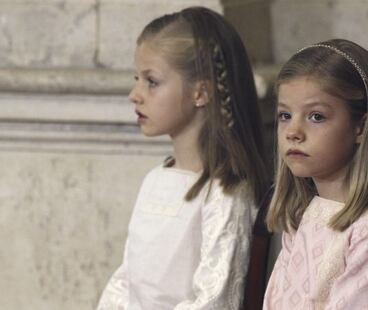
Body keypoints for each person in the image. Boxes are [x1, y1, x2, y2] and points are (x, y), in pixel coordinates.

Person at [96, 6, 269, 310]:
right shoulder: (155, 179)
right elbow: (127, 279)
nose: (134, 94)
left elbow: (214, 299)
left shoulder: (225, 192)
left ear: (201, 93)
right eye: (137, 78)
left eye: (152, 81)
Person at [263, 39, 368, 309]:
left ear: (361, 126)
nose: (292, 132)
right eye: (285, 115)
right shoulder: (301, 211)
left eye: (316, 117)